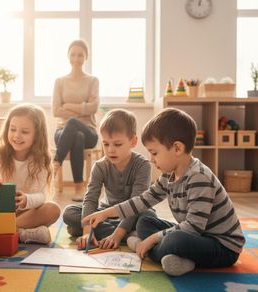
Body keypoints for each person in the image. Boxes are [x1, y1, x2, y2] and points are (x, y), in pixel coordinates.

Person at [82, 108, 245, 276]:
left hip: (221, 246)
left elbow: (193, 227)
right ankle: (177, 258)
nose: (151, 159)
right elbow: (143, 200)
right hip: (196, 235)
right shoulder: (169, 174)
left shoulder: (199, 177)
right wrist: (106, 213)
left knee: (174, 239)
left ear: (177, 148)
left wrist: (152, 239)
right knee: (144, 222)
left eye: (154, 153)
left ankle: (147, 248)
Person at [0, 104, 61, 244]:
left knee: (52, 209)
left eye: (24, 132)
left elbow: (41, 196)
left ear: (38, 135)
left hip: (24, 214)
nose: (17, 136)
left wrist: (26, 199)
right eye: (12, 129)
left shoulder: (41, 160)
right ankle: (21, 233)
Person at [63, 109, 156, 250]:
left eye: (117, 144)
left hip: (135, 213)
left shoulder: (143, 165)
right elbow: (90, 199)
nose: (111, 150)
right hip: (106, 214)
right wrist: (87, 232)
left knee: (148, 217)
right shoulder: (100, 166)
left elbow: (137, 203)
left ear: (133, 141)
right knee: (69, 212)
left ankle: (117, 233)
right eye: (106, 144)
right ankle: (130, 235)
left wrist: (117, 235)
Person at [52, 39, 99, 201]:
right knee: (76, 135)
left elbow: (94, 108)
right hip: (63, 132)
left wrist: (69, 106)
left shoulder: (93, 81)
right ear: (68, 56)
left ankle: (55, 163)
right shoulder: (59, 81)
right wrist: (82, 108)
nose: (76, 58)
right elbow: (55, 110)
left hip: (89, 132)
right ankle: (79, 188)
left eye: (80, 55)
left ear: (86, 57)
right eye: (73, 54)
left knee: (74, 124)